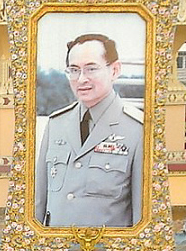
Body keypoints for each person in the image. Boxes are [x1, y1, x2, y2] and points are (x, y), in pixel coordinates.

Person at [33, 33, 144, 229]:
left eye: (91, 69)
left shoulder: (137, 129)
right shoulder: (57, 123)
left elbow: (142, 216)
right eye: (74, 70)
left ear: (115, 70)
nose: (81, 79)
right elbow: (39, 200)